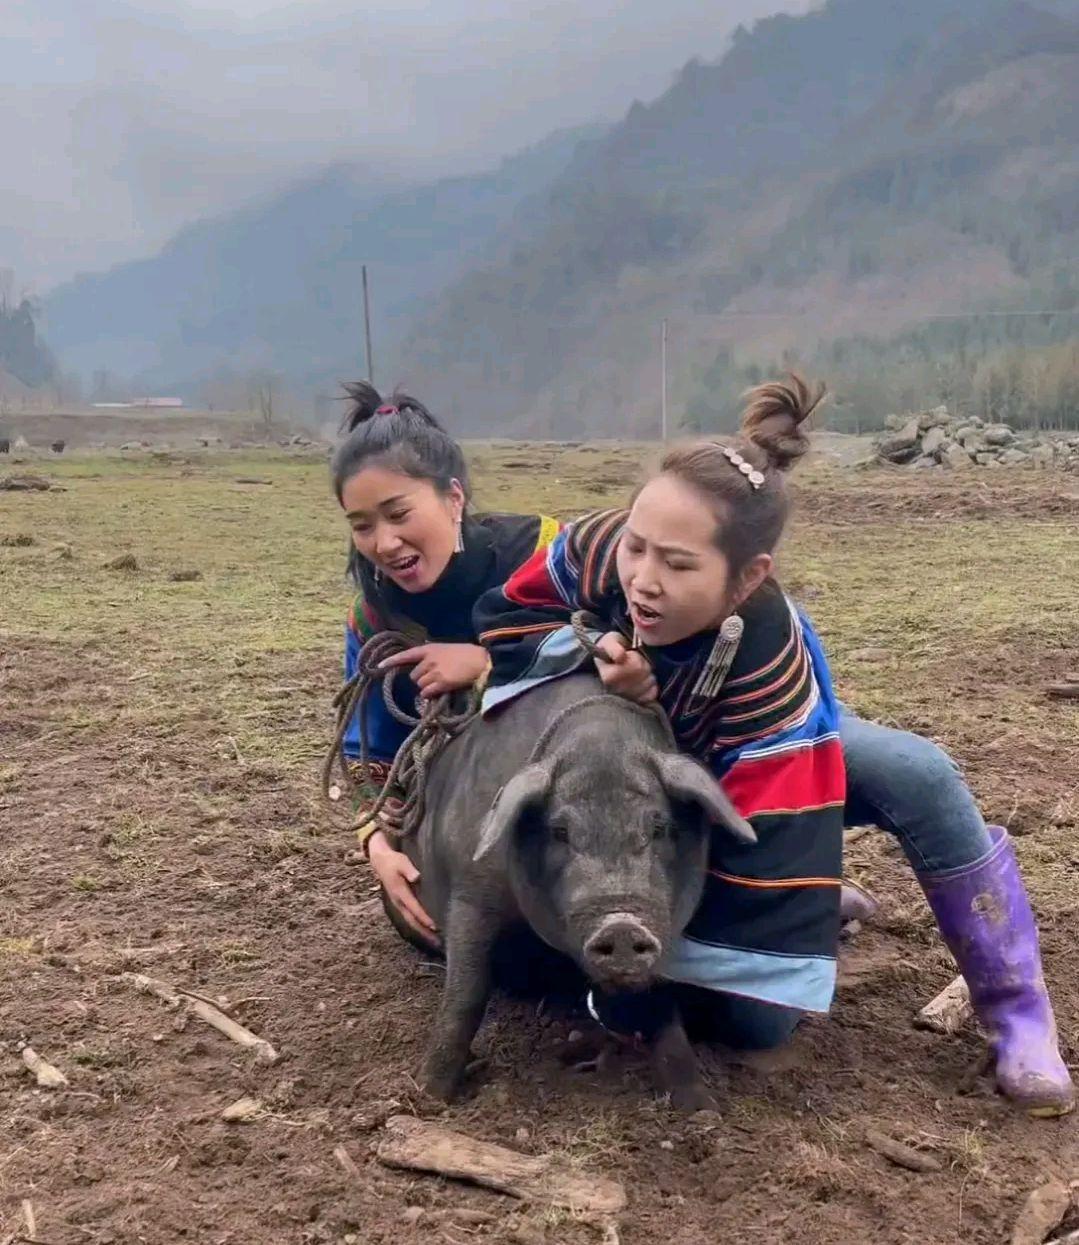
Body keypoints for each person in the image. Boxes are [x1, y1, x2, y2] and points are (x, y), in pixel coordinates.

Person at [474, 376, 1075, 1117]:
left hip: (754, 766)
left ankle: (1016, 1011)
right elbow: (510, 616)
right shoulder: (602, 548)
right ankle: (818, 901)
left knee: (912, 779)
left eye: (679, 565)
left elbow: (757, 828)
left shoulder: (766, 667)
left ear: (746, 579)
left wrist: (660, 705)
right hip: (632, 773)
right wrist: (596, 643)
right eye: (636, 546)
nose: (643, 581)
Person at [327, 381, 558, 938]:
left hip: (573, 788)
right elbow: (367, 753)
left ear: (453, 498)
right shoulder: (374, 620)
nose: (383, 542)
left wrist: (486, 666)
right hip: (464, 804)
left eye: (398, 513)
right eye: (362, 525)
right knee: (422, 917)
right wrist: (378, 843)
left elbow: (620, 657)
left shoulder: (546, 558)